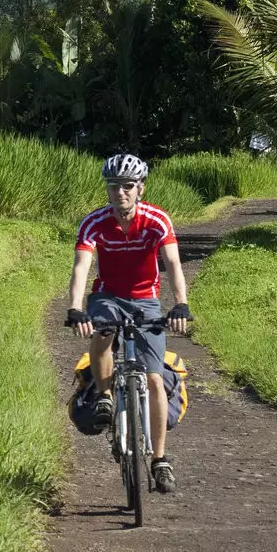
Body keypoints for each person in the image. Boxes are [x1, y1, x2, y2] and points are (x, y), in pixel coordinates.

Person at [64, 154, 192, 492]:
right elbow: (81, 267)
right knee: (102, 329)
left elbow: (174, 264)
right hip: (108, 294)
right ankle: (105, 395)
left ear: (140, 188)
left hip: (145, 301)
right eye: (113, 186)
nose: (120, 192)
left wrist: (180, 304)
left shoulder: (157, 220)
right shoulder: (94, 222)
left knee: (152, 378)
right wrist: (76, 308)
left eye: (127, 186)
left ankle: (160, 459)